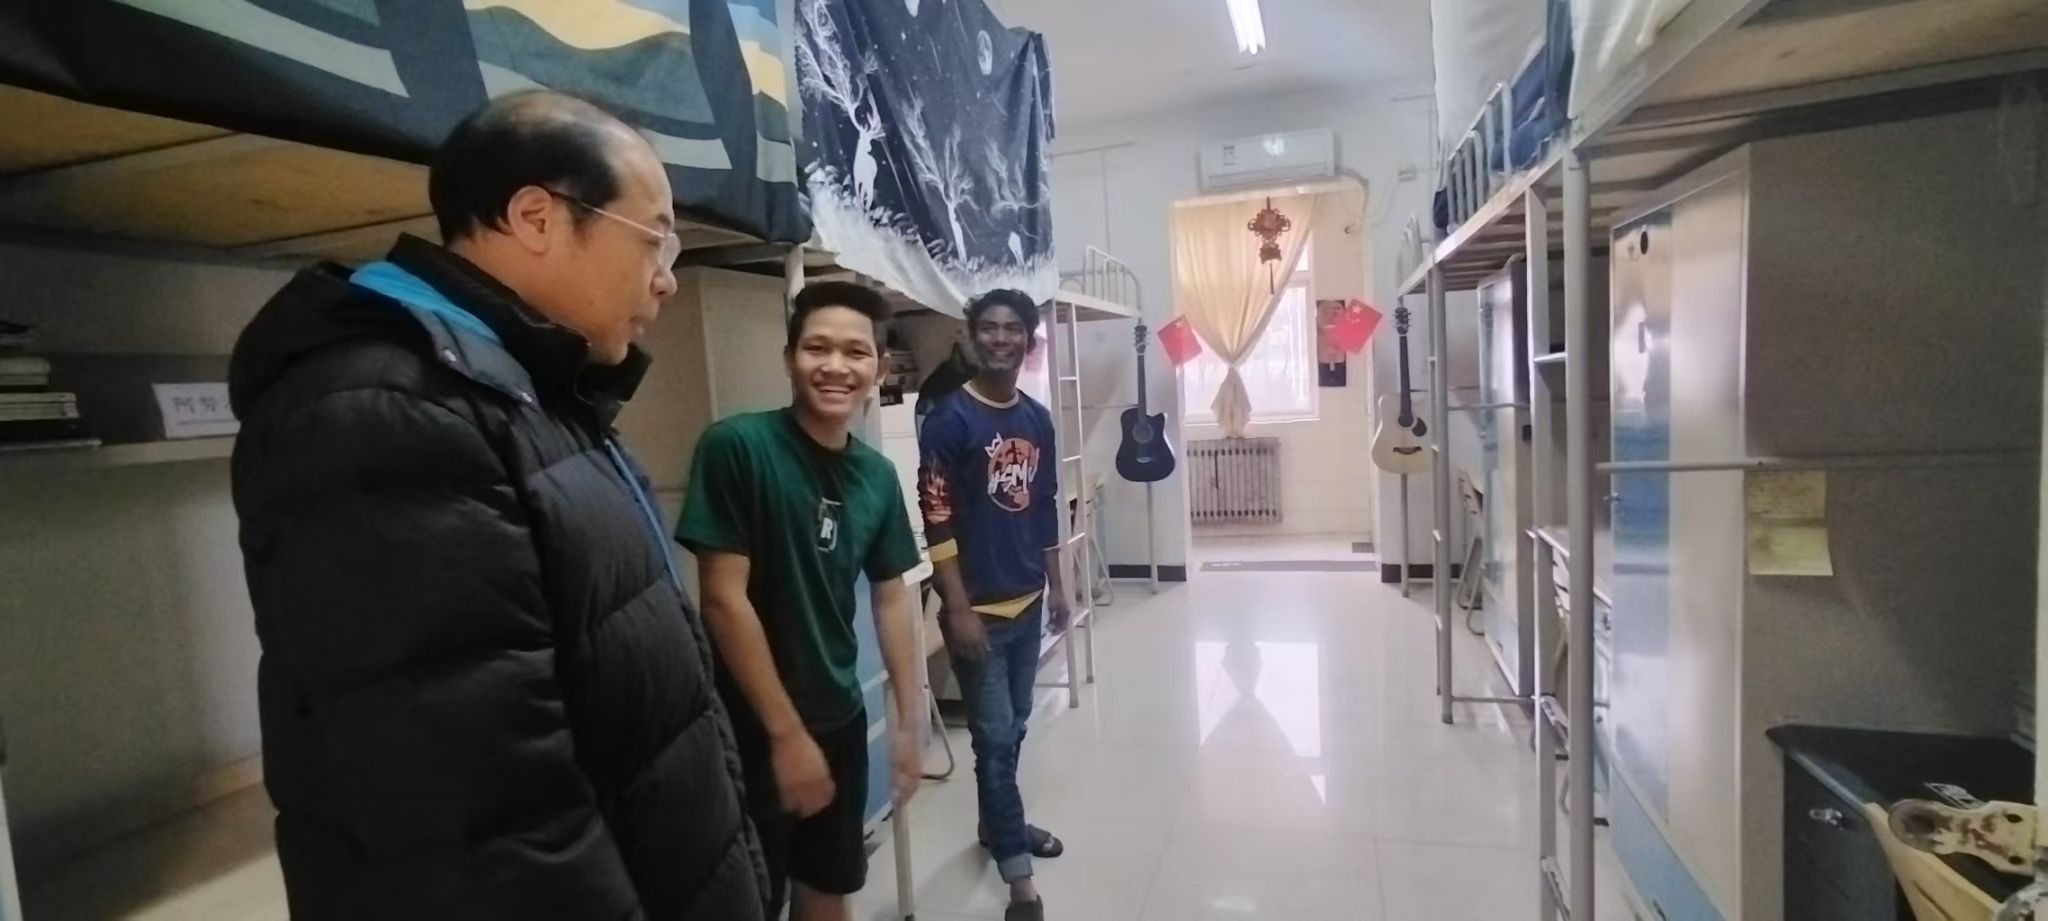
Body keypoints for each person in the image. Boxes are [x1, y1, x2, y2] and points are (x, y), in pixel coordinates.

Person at [228, 91, 766, 921]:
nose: (666, 278)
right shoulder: (388, 414)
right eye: (655, 238)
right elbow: (488, 823)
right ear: (536, 217)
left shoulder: (528, 391)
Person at [675, 281, 926, 921]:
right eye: (817, 348)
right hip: (746, 723)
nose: (836, 366)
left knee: (827, 884)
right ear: (789, 359)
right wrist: (786, 735)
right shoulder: (737, 447)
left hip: (837, 716)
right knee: (747, 897)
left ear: (879, 369)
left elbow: (892, 597)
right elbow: (723, 601)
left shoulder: (877, 476)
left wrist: (908, 719)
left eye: (856, 352)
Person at [918, 289, 1072, 921]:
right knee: (995, 740)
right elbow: (936, 516)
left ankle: (996, 826)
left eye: (1013, 329)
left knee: (1013, 730)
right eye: (989, 327)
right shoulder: (949, 419)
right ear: (970, 335)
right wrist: (955, 607)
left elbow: (1044, 504)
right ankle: (1019, 880)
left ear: (1028, 341)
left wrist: (1058, 584)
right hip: (976, 612)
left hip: (1028, 602)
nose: (1001, 338)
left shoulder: (1036, 418)